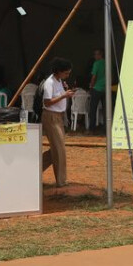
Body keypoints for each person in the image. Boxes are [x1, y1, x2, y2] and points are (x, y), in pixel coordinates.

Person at [41, 57, 75, 187]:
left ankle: (36, 169)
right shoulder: (49, 82)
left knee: (57, 148)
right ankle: (61, 181)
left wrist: (65, 92)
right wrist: (64, 95)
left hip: (58, 116)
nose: (67, 75)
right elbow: (47, 102)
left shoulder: (59, 81)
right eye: (66, 72)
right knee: (59, 149)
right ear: (58, 71)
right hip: (51, 116)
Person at [88, 49, 106, 130]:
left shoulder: (96, 63)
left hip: (97, 88)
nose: (95, 56)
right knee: (106, 110)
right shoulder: (107, 62)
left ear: (100, 54)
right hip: (106, 89)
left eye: (96, 54)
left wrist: (91, 86)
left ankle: (92, 128)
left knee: (93, 109)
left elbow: (94, 76)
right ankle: (106, 128)